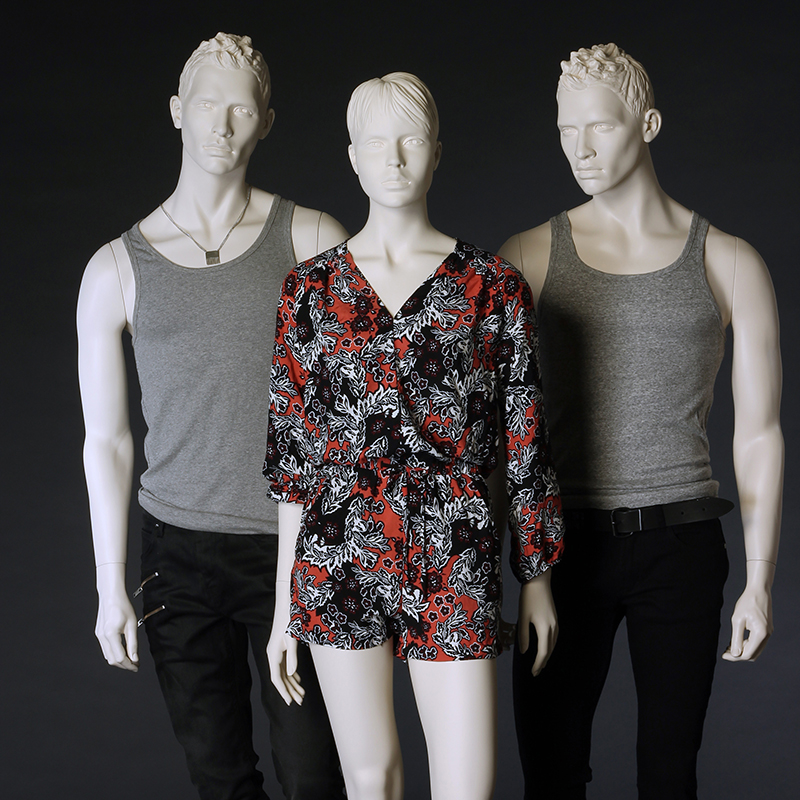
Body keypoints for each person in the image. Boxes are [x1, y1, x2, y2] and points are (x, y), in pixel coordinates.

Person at [264, 72, 564, 800]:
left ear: (437, 153)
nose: (394, 158)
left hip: (454, 546)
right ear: (352, 157)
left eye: (411, 140)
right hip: (338, 551)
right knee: (372, 779)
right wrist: (282, 612)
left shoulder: (493, 288)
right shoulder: (309, 292)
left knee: (467, 784)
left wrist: (537, 578)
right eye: (376, 142)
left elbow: (525, 444)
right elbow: (293, 462)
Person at [500, 43, 783, 800]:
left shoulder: (729, 262)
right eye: (566, 131)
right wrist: (518, 568)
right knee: (551, 773)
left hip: (681, 546)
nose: (581, 149)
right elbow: (497, 429)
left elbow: (758, 432)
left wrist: (759, 581)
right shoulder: (527, 257)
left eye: (600, 126)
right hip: (564, 548)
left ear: (648, 124)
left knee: (668, 776)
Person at [77, 32, 347, 800]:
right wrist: (108, 583)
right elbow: (107, 440)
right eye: (206, 105)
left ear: (267, 122)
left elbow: (350, 419)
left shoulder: (312, 241)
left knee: (314, 777)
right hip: (178, 556)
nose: (222, 126)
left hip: (295, 548)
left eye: (242, 110)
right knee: (219, 778)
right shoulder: (115, 269)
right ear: (176, 111)